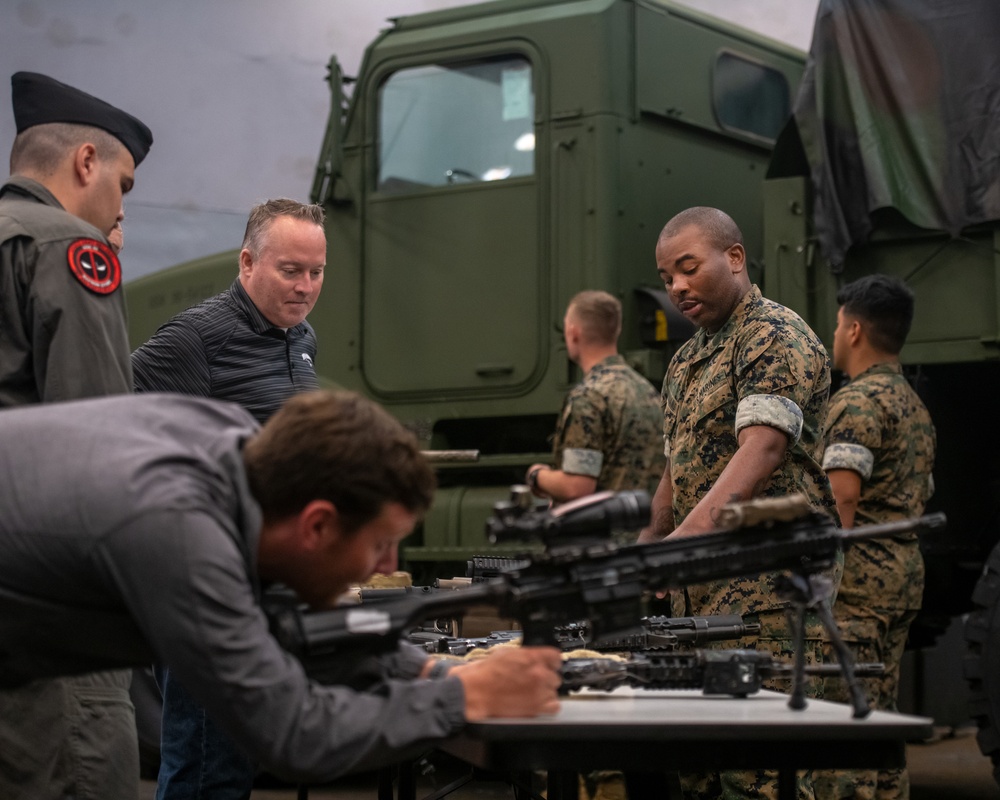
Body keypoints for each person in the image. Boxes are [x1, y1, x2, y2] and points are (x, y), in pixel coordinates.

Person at [0, 389, 563, 787]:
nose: (384, 566)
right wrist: (462, 698)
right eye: (378, 545)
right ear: (317, 524)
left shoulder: (245, 453)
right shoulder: (179, 527)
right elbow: (292, 732)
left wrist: (423, 670)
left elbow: (286, 614)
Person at [637, 207, 837, 800]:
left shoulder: (774, 336)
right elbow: (679, 464)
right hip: (701, 601)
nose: (675, 287)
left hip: (768, 597)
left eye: (688, 267)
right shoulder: (688, 360)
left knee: (762, 776)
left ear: (735, 258)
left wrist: (679, 547)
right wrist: (648, 545)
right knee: (701, 770)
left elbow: (764, 448)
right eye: (666, 275)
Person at [131, 198, 326, 799]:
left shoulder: (301, 337)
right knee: (204, 760)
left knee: (235, 760)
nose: (306, 286)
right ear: (247, 263)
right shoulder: (194, 339)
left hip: (264, 578)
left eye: (317, 272)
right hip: (204, 583)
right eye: (290, 270)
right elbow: (113, 424)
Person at [0, 70, 152, 800]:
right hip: (47, 588)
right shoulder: (67, 246)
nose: (118, 203)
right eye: (122, 184)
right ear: (86, 162)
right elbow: (98, 442)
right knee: (79, 767)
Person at [813, 276, 936, 800]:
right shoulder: (914, 406)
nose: (835, 333)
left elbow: (840, 500)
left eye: (839, 324)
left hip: (858, 588)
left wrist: (820, 583)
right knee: (881, 721)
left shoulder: (857, 403)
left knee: (847, 729)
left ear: (855, 329)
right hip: (902, 578)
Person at [525, 290, 665, 504]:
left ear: (573, 333)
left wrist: (537, 476)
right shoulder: (648, 391)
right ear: (616, 331)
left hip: (602, 534)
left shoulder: (588, 397)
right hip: (646, 532)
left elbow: (576, 487)